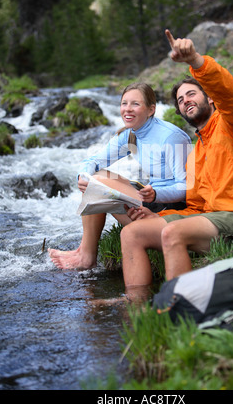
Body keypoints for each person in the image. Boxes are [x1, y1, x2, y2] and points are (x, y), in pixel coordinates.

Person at [120, 29, 233, 299]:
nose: (185, 102)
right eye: (180, 100)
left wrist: (195, 61)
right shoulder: (195, 151)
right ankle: (137, 309)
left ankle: (180, 311)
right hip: (213, 220)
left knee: (173, 232)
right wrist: (156, 215)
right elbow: (197, 206)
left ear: (211, 98)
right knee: (132, 233)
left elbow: (232, 95)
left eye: (191, 94)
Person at [48, 82, 192, 270]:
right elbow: (94, 161)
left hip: (170, 208)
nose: (127, 109)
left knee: (99, 183)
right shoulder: (130, 134)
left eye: (135, 104)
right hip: (150, 196)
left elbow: (186, 188)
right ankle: (85, 252)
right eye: (124, 103)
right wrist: (82, 176)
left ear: (151, 109)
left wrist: (155, 193)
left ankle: (85, 256)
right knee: (96, 177)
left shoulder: (171, 137)